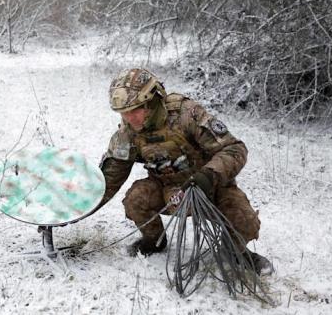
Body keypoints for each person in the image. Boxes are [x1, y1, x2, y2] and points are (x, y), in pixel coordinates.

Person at [98, 68, 272, 275]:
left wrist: (208, 176)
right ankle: (154, 241)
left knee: (244, 220)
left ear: (151, 102)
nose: (129, 118)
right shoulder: (127, 132)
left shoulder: (186, 114)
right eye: (123, 113)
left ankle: (235, 252)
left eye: (135, 110)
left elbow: (234, 149)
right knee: (136, 199)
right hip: (168, 191)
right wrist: (76, 210)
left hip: (210, 186)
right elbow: (110, 177)